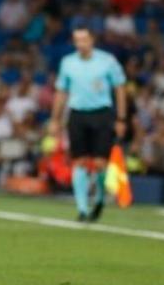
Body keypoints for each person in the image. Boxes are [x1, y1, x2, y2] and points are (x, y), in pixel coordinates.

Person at [49, 27, 127, 222]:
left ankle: (99, 198)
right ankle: (82, 208)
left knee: (101, 163)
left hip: (101, 113)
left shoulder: (107, 61)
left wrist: (121, 118)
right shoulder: (68, 63)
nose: (80, 44)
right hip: (77, 114)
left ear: (92, 40)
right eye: (77, 40)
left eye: (84, 39)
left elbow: (119, 88)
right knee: (79, 161)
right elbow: (61, 91)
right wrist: (55, 119)